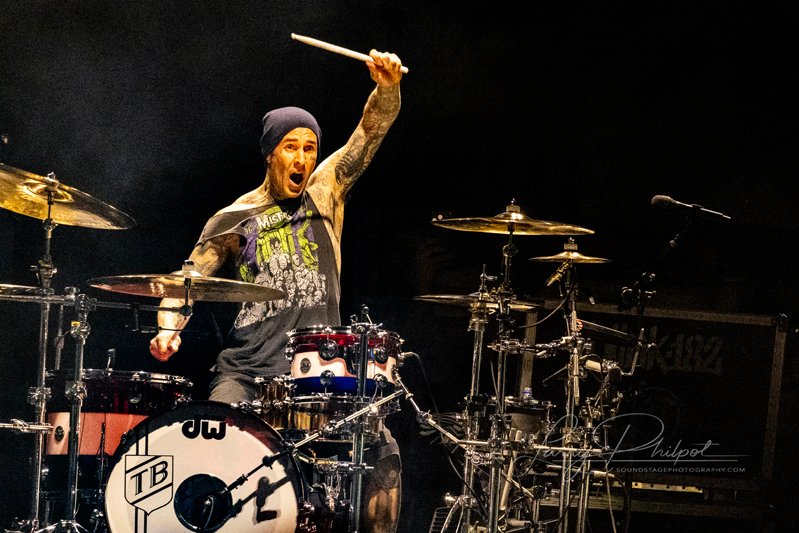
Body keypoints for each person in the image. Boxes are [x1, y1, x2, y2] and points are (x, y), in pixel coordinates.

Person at [149, 49, 404, 533]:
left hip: (318, 376)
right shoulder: (233, 218)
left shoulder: (326, 192)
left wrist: (386, 87)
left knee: (382, 450)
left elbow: (369, 133)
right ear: (271, 154)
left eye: (310, 148)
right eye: (291, 147)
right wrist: (168, 329)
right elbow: (187, 282)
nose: (303, 158)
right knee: (214, 438)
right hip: (247, 371)